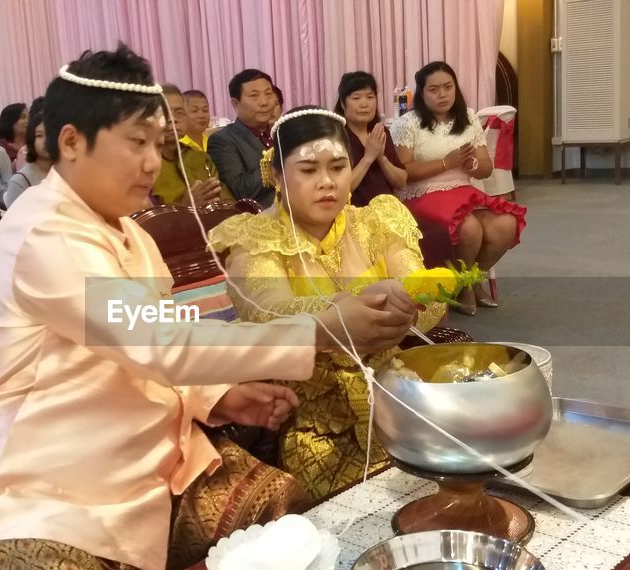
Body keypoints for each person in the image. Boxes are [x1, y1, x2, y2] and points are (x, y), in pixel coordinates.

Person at [0, 45, 414, 570]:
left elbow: (158, 337)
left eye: (157, 144)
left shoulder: (128, 233)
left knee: (291, 532)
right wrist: (323, 327)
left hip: (157, 476)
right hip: (45, 500)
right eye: (135, 143)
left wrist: (215, 395)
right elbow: (158, 343)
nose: (152, 162)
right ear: (70, 142)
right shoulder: (42, 235)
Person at [208, 106, 442, 500]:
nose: (327, 183)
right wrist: (342, 311)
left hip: (396, 395)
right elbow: (266, 311)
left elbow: (425, 293)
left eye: (337, 167)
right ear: (278, 176)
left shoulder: (375, 221)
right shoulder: (256, 240)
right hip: (313, 417)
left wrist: (412, 302)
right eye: (308, 170)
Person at [393, 61, 526, 312]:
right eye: (433, 90)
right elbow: (403, 172)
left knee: (506, 223)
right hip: (422, 192)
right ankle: (466, 286)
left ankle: (467, 284)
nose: (442, 94)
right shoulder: (408, 123)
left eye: (448, 87)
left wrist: (471, 162)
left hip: (462, 190)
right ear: (421, 93)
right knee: (470, 228)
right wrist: (446, 162)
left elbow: (486, 168)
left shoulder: (467, 117)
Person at [208, 69, 280, 207]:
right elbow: (240, 190)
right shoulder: (223, 140)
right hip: (260, 218)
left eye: (268, 94)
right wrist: (281, 159)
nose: (264, 102)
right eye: (254, 96)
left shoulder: (279, 133)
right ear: (235, 104)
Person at [152, 84, 231, 207]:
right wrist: (185, 206)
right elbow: (141, 221)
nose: (173, 119)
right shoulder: (144, 164)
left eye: (178, 113)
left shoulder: (199, 157)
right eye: (164, 113)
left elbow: (227, 201)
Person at [335, 71, 407, 205]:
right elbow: (341, 191)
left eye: (370, 97)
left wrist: (382, 159)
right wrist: (368, 158)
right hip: (355, 213)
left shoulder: (380, 131)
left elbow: (402, 182)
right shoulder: (336, 137)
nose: (364, 104)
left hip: (388, 210)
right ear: (343, 104)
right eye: (356, 98)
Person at [1, 113, 49, 209]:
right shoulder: (20, 181)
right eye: (39, 135)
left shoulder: (67, 172)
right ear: (31, 140)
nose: (47, 140)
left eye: (52, 134)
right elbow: (15, 221)